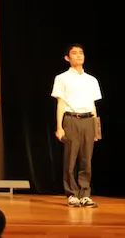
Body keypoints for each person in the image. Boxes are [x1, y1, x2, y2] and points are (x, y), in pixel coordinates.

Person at [52, 43, 101, 208]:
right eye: (74, 53)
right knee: (70, 159)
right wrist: (59, 127)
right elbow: (60, 103)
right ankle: (72, 194)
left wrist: (97, 129)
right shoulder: (62, 78)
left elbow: (93, 105)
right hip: (71, 119)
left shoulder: (91, 80)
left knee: (86, 160)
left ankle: (85, 194)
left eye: (81, 52)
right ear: (67, 58)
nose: (79, 55)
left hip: (88, 120)